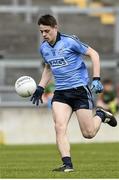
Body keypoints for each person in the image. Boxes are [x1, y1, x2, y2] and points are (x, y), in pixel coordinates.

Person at [31, 14, 117, 172]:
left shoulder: (70, 41)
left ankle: (102, 115)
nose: (44, 34)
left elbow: (94, 54)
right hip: (61, 93)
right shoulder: (43, 48)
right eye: (41, 31)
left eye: (47, 31)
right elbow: (49, 67)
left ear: (56, 28)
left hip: (79, 91)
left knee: (89, 133)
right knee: (59, 126)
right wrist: (41, 86)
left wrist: (96, 78)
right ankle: (67, 164)